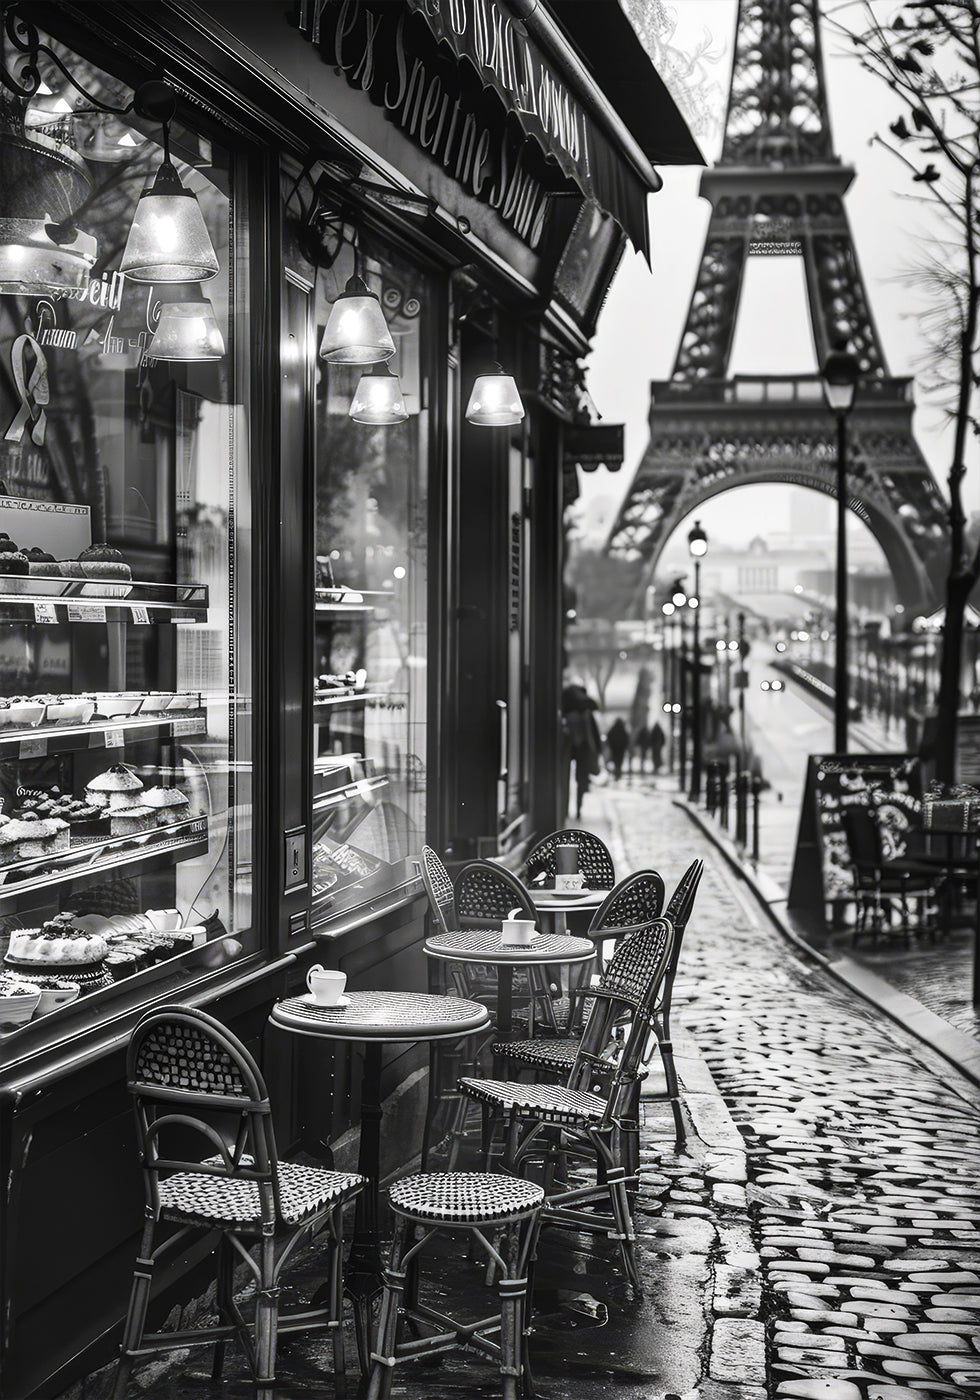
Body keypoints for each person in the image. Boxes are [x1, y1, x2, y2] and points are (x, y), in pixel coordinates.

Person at [561, 678, 602, 820]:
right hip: (583, 748)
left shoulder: (565, 705)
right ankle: (578, 808)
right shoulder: (586, 710)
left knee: (564, 779)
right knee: (581, 780)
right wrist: (598, 750)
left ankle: (564, 809)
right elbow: (594, 734)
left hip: (567, 747)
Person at [604, 717, 630, 781]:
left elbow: (608, 736)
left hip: (614, 749)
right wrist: (625, 746)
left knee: (616, 761)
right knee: (619, 762)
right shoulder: (623, 729)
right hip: (621, 749)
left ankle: (617, 773)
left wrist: (610, 745)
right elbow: (626, 739)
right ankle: (618, 773)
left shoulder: (613, 729)